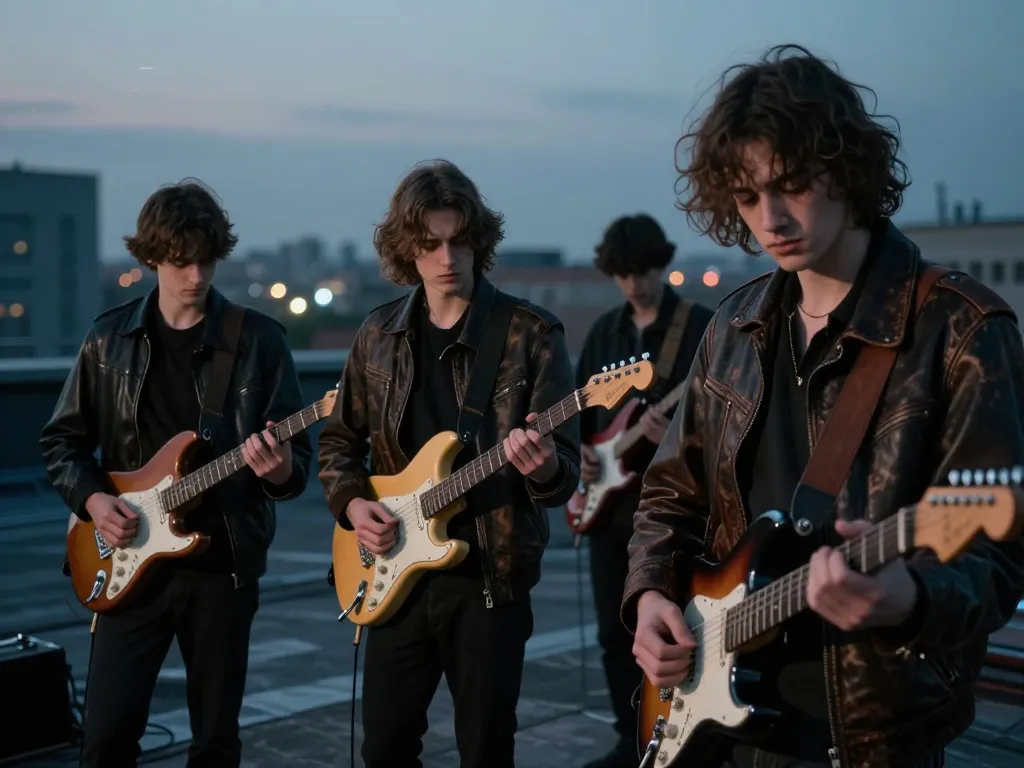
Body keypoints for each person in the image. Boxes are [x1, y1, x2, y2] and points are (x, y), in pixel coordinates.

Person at [622, 44, 1024, 768]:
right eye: (746, 198)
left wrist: (910, 598)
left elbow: (997, 556)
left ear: (846, 167)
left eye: (793, 185)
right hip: (721, 721)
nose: (770, 219)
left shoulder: (961, 329)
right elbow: (666, 497)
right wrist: (650, 597)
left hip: (875, 730)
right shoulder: (732, 327)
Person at [39, 179, 313, 767]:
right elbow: (61, 441)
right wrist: (92, 501)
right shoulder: (108, 340)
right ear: (152, 256)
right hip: (128, 561)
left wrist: (280, 467)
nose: (196, 275)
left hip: (222, 567)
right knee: (106, 739)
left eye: (207, 259)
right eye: (182, 260)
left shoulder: (259, 342)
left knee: (215, 742)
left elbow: (296, 475)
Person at [317, 159, 581, 768]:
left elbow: (562, 472)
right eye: (431, 243)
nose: (446, 256)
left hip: (489, 579)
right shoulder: (376, 334)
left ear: (478, 241)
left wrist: (540, 467)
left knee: (486, 750)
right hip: (391, 574)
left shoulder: (530, 333)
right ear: (405, 248)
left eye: (459, 240)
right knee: (384, 748)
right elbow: (337, 446)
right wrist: (356, 508)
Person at [573, 213, 713, 768]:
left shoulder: (701, 328)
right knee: (614, 632)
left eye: (643, 270)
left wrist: (672, 435)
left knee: (678, 633)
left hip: (674, 516)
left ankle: (682, 731)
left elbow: (720, 413)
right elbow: (581, 410)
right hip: (609, 514)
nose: (634, 283)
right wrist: (580, 452)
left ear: (662, 264)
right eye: (623, 274)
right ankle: (628, 735)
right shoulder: (605, 332)